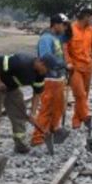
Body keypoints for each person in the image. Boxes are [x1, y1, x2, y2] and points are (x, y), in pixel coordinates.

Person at [0, 52, 52, 154]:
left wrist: (33, 114)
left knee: (19, 114)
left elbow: (37, 93)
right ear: (41, 63)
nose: (47, 73)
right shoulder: (21, 62)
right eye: (47, 69)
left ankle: (20, 145)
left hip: (12, 87)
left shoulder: (40, 74)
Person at [31, 13, 70, 147]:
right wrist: (64, 65)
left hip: (58, 79)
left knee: (58, 107)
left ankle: (53, 130)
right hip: (49, 79)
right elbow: (46, 57)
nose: (65, 28)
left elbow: (68, 37)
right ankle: (38, 138)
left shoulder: (56, 38)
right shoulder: (46, 38)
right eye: (63, 25)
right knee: (47, 108)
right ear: (56, 24)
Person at [66, 7, 92, 131]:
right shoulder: (70, 29)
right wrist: (68, 62)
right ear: (86, 16)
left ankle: (76, 121)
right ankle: (86, 117)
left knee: (84, 96)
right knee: (79, 94)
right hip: (75, 68)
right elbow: (65, 47)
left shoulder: (91, 30)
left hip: (88, 68)